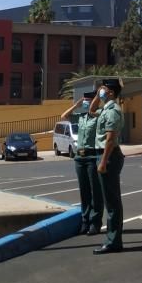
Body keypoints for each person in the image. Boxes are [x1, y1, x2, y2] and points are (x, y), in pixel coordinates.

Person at [89, 79, 125, 254]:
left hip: (108, 156)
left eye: (103, 89)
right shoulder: (106, 109)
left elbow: (110, 139)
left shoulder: (113, 112)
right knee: (110, 200)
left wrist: (103, 162)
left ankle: (113, 242)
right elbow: (91, 110)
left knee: (112, 202)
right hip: (104, 155)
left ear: (110, 92)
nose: (100, 91)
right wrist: (97, 95)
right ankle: (113, 240)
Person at [60, 92, 103, 234]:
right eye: (83, 100)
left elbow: (103, 116)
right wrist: (76, 105)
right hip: (79, 157)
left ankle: (95, 222)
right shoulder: (81, 117)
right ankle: (85, 221)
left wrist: (94, 105)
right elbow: (64, 116)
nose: (84, 103)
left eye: (87, 101)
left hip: (92, 157)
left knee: (94, 191)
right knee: (84, 191)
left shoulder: (98, 116)